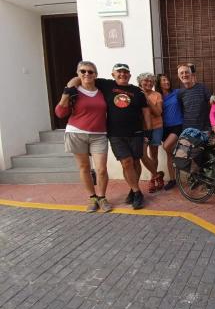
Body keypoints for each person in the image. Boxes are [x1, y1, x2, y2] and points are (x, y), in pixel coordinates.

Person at [68, 63, 151, 210]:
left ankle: (133, 189)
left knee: (136, 162)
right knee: (126, 162)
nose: (122, 75)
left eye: (125, 72)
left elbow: (145, 112)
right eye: (119, 72)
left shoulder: (137, 91)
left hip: (136, 133)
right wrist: (68, 90)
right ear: (113, 74)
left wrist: (148, 132)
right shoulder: (105, 84)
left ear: (130, 75)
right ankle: (138, 193)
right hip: (115, 134)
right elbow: (79, 78)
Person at [55, 61, 111, 213]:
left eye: (90, 72)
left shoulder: (101, 91)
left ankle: (102, 197)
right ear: (78, 74)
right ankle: (92, 197)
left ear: (96, 75)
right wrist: (66, 91)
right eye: (83, 71)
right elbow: (60, 113)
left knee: (101, 169)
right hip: (76, 132)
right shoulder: (74, 91)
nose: (87, 74)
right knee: (84, 167)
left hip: (99, 135)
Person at [137, 72, 164, 193]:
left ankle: (153, 179)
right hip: (141, 129)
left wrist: (147, 99)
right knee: (143, 155)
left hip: (156, 127)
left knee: (154, 155)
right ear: (140, 82)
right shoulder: (135, 93)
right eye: (145, 81)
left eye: (151, 82)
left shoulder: (156, 95)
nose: (148, 83)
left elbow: (158, 112)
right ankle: (157, 175)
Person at [156, 74, 183, 192]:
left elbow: (189, 91)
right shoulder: (158, 96)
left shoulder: (177, 92)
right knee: (169, 155)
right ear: (159, 83)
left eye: (167, 79)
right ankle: (173, 179)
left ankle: (179, 159)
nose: (167, 82)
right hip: (164, 127)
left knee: (167, 147)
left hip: (177, 125)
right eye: (163, 80)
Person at [177, 64, 211, 131]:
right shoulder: (180, 93)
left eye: (186, 72)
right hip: (187, 130)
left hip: (204, 129)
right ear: (179, 76)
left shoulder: (202, 88)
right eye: (181, 73)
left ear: (191, 74)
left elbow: (212, 105)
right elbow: (181, 110)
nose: (184, 75)